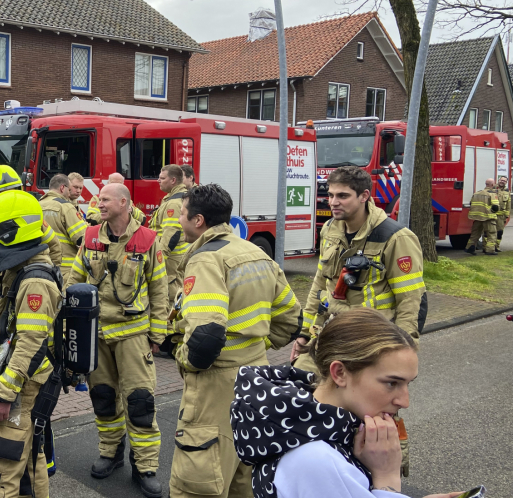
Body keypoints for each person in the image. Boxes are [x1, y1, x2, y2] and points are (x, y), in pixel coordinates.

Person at [232, 309, 463, 498]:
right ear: (340, 373)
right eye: (392, 383)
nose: (405, 401)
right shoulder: (315, 461)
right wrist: (387, 479)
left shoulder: (301, 427)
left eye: (408, 384)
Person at [169, 183, 301, 498]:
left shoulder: (205, 259)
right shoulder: (255, 252)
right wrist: (255, 348)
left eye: (183, 215)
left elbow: (205, 338)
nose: (179, 221)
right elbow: (292, 319)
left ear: (198, 221)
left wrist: (183, 358)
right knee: (244, 477)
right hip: (256, 376)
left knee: (198, 482)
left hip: (216, 385)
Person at [292, 166, 425, 477]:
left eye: (343, 196)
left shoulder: (395, 238)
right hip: (331, 336)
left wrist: (403, 353)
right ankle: (321, 461)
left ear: (365, 196)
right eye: (330, 194)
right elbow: (320, 286)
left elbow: (410, 301)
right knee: (307, 388)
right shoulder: (331, 230)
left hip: (373, 343)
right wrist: (304, 334)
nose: (333, 202)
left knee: (375, 412)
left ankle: (387, 469)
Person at [66, 183, 169, 498]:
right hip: (97, 334)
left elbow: (159, 289)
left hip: (133, 335)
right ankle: (110, 452)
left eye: (106, 199)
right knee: (104, 397)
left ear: (124, 203)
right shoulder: (91, 236)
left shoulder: (147, 240)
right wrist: (71, 319)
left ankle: (145, 466)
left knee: (139, 402)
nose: (99, 203)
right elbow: (75, 277)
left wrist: (158, 333)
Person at [0, 189, 62, 498]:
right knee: (28, 460)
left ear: (12, 230)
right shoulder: (20, 269)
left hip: (20, 389)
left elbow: (28, 344)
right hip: (23, 383)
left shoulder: (34, 281)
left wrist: (3, 394)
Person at [148, 164, 190, 302]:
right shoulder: (174, 198)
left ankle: (172, 324)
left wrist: (158, 259)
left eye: (162, 178)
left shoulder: (173, 203)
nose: (158, 181)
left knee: (171, 298)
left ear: (173, 180)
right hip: (175, 257)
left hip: (171, 260)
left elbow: (171, 235)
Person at [39, 173, 87, 280]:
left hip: (40, 265)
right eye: (69, 189)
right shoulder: (65, 207)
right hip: (64, 268)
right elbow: (82, 238)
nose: (70, 193)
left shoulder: (36, 205)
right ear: (62, 188)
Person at [465, 178, 499, 255]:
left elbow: (471, 203)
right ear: (492, 185)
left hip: (477, 217)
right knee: (492, 233)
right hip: (488, 217)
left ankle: (470, 248)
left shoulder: (477, 193)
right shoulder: (492, 194)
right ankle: (490, 250)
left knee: (475, 233)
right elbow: (495, 207)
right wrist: (493, 213)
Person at [491, 176, 510, 253]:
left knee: (499, 232)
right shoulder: (492, 189)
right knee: (489, 232)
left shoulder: (507, 191)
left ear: (506, 182)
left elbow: (508, 205)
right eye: (501, 180)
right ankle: (487, 247)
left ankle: (497, 247)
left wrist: (507, 215)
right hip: (491, 214)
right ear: (498, 180)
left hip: (501, 216)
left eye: (504, 181)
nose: (502, 181)